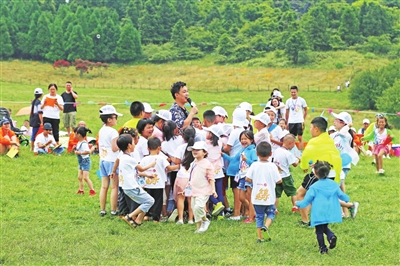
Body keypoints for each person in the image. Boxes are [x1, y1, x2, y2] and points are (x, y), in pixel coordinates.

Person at [296, 161, 350, 254]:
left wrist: (298, 204)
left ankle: (323, 248)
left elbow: (307, 200)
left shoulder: (314, 187)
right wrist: (346, 199)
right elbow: (341, 195)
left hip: (318, 211)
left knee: (319, 231)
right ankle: (331, 236)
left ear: (315, 173)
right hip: (329, 209)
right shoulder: (333, 184)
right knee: (324, 226)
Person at [296, 117, 342, 226]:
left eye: (311, 127)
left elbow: (306, 155)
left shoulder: (314, 141)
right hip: (332, 172)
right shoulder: (329, 139)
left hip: (320, 174)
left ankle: (305, 221)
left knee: (300, 193)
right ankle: (349, 206)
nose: (310, 130)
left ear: (316, 129)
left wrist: (303, 166)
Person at [116, 134, 156, 228]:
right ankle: (129, 216)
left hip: (128, 187)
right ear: (129, 145)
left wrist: (147, 175)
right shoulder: (130, 159)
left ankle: (138, 221)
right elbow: (141, 169)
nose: (135, 144)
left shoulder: (122, 157)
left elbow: (133, 172)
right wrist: (152, 164)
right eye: (133, 142)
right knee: (150, 201)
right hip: (132, 187)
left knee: (146, 201)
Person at [245, 142, 282, 243]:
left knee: (259, 216)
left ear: (257, 153)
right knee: (271, 213)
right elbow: (279, 180)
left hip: (256, 197)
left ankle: (259, 237)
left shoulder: (254, 165)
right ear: (271, 154)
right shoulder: (273, 166)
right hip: (269, 197)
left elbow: (248, 178)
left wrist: (255, 181)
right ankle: (266, 226)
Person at [141, 137, 180, 222]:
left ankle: (146, 215)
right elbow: (170, 168)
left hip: (148, 184)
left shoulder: (144, 159)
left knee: (148, 200)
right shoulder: (161, 158)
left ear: (148, 148)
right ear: (159, 148)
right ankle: (156, 218)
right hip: (159, 184)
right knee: (158, 201)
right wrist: (179, 166)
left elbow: (141, 169)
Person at [222, 130, 258, 223]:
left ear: (251, 140)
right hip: (242, 176)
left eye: (245, 139)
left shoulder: (252, 150)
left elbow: (255, 163)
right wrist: (223, 155)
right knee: (242, 197)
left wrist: (246, 160)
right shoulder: (242, 150)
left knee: (249, 197)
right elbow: (233, 160)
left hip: (249, 177)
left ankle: (251, 217)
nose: (243, 141)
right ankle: (253, 212)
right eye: (241, 139)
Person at [330, 112, 359, 217]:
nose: (334, 121)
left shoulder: (346, 135)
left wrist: (348, 125)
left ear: (343, 123)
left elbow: (343, 133)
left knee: (331, 191)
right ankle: (345, 213)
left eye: (337, 120)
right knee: (341, 189)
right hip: (335, 165)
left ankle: (350, 206)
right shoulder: (334, 134)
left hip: (343, 166)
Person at [222, 108, 247, 220]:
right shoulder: (243, 130)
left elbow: (228, 147)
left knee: (235, 188)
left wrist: (221, 147)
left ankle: (236, 213)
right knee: (240, 187)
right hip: (242, 162)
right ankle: (243, 211)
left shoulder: (235, 132)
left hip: (234, 162)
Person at [186, 141, 217, 233]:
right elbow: (191, 177)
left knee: (198, 207)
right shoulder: (193, 163)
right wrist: (186, 189)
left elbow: (211, 178)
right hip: (193, 190)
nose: (195, 151)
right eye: (193, 150)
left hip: (203, 190)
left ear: (205, 152)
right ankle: (199, 228)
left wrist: (213, 190)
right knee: (194, 209)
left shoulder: (207, 164)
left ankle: (205, 219)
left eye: (198, 150)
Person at [98, 105, 122, 217]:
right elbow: (114, 148)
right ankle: (113, 210)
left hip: (102, 160)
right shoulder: (113, 132)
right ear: (109, 119)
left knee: (104, 186)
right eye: (115, 117)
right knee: (114, 187)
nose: (116, 119)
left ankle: (102, 210)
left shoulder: (102, 130)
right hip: (112, 161)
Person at [171, 126, 196, 224]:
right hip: (193, 176)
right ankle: (191, 219)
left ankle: (181, 218)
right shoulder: (197, 147)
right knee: (191, 199)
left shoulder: (181, 148)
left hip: (182, 176)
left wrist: (171, 158)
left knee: (181, 198)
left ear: (183, 137)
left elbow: (177, 161)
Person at [274, 134, 300, 214]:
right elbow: (295, 164)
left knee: (276, 193)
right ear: (290, 143)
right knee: (292, 191)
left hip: (277, 176)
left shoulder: (277, 150)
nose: (294, 146)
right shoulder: (287, 153)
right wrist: (298, 159)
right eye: (294, 144)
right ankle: (295, 207)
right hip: (286, 176)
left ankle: (274, 209)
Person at [203, 124, 225, 217]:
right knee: (219, 191)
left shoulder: (207, 144)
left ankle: (217, 204)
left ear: (211, 134)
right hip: (218, 171)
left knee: (208, 190)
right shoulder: (220, 143)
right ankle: (221, 213)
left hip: (209, 171)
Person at [74, 126, 96, 196]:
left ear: (79, 134)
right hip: (81, 161)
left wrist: (79, 153)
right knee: (79, 177)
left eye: (75, 133)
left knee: (85, 177)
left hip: (85, 161)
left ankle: (92, 190)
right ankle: (81, 190)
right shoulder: (79, 142)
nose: (74, 135)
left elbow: (88, 152)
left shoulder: (83, 144)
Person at [285, 86, 307, 150]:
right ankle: (292, 151)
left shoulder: (302, 100)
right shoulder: (288, 101)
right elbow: (287, 112)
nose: (293, 94)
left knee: (300, 137)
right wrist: (287, 122)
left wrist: (303, 119)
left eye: (294, 92)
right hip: (291, 121)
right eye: (292, 92)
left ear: (297, 92)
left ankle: (301, 152)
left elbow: (306, 110)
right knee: (292, 138)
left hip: (299, 121)